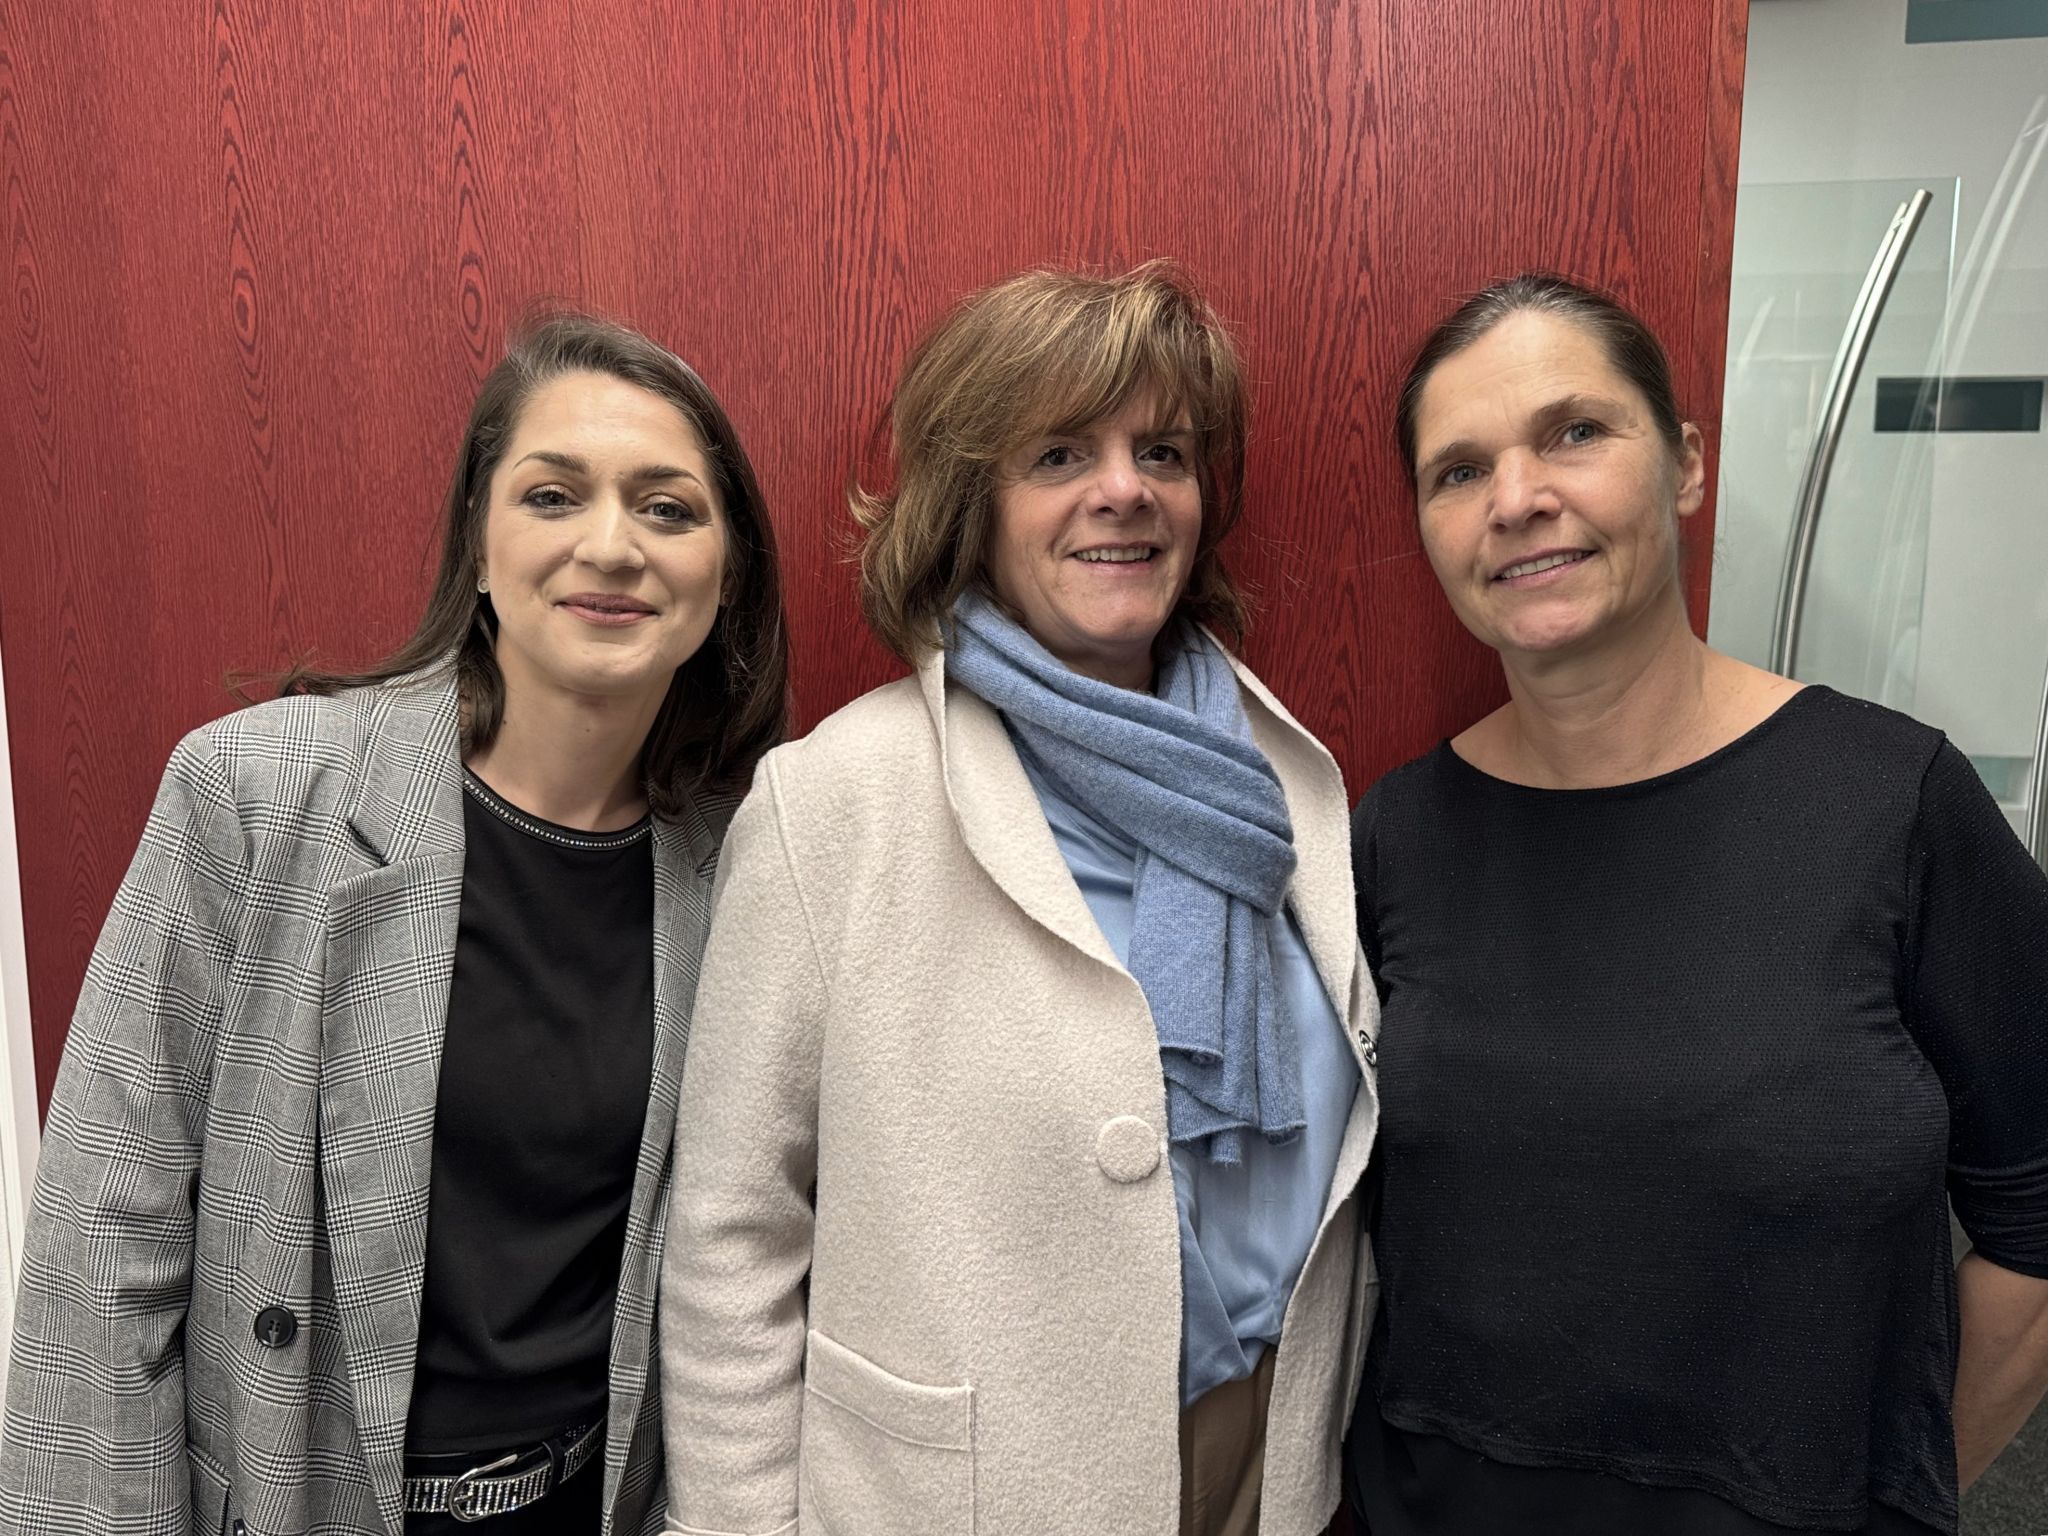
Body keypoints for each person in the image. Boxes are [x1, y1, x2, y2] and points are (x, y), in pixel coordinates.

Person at [0, 312, 787, 1536]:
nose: (611, 544)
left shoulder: (745, 865)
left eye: (669, 508)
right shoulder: (255, 798)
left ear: (724, 575)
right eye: (552, 494)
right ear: (478, 547)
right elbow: (105, 1236)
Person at [657, 263, 1378, 1536]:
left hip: (1270, 1472)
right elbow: (731, 1240)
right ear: (969, 507)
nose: (1124, 489)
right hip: (966, 1496)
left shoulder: (1289, 788)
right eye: (1057, 453)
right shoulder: (837, 801)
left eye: (1161, 449)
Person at [1344, 273, 2048, 1535]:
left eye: (1573, 431)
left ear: (1682, 465)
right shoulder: (1396, 834)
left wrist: (1897, 1492)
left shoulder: (1891, 806)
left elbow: (2037, 1218)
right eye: (1458, 470)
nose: (1517, 499)